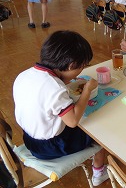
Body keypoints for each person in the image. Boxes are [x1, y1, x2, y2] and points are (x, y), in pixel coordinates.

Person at [13, 30, 109, 186]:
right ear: (71, 65)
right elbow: (72, 121)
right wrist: (87, 90)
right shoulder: (55, 89)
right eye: (82, 67)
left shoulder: (24, 75)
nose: (81, 71)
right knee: (99, 132)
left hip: (29, 139)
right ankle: (99, 172)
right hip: (50, 147)